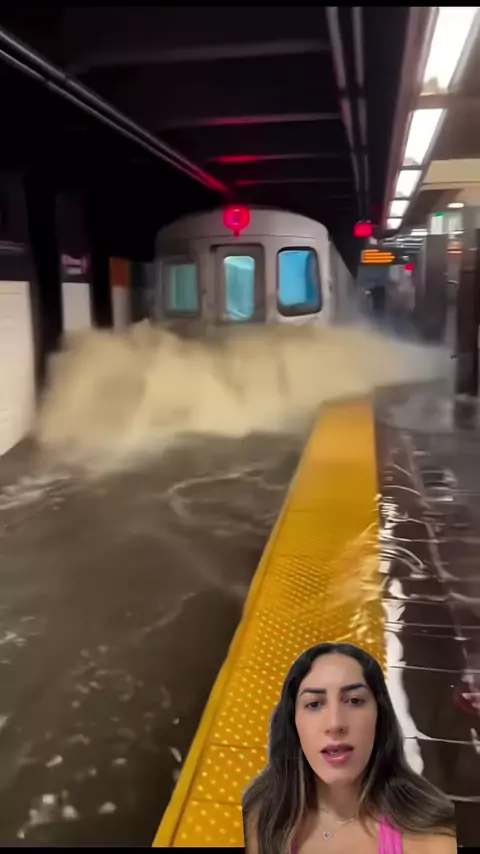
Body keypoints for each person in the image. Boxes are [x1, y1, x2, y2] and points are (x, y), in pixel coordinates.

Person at [243, 642, 456, 854]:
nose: (335, 723)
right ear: (293, 721)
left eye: (354, 701)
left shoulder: (436, 839)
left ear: (379, 716)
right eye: (314, 704)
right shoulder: (256, 823)